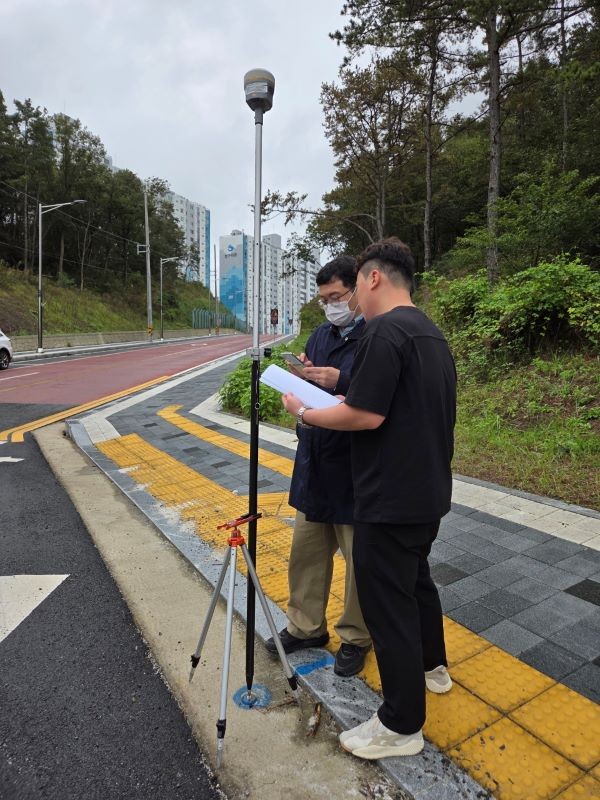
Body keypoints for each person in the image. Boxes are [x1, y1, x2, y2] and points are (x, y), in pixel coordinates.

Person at [281, 237, 456, 760]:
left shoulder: (383, 331)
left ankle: (400, 724)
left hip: (388, 496)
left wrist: (303, 410)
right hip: (427, 492)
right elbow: (392, 405)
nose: (352, 296)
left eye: (355, 283)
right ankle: (434, 667)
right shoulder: (429, 332)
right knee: (418, 584)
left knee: (389, 607)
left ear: (374, 278)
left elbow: (365, 414)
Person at [265, 255, 372, 677]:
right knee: (306, 553)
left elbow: (376, 398)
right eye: (324, 299)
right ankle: (306, 627)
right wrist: (301, 381)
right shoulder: (321, 334)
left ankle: (357, 636)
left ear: (358, 292)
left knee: (359, 560)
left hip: (353, 466)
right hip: (314, 458)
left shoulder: (376, 337)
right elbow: (311, 382)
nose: (331, 305)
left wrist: (339, 381)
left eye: (337, 297)